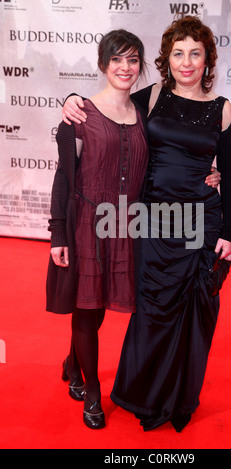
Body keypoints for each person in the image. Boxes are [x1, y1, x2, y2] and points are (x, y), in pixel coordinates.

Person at [62, 15, 231, 432]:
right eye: (179, 53)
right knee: (147, 307)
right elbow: (110, 106)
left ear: (207, 59)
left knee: (188, 314)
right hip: (152, 221)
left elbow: (229, 175)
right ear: (167, 59)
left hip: (199, 223)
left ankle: (172, 394)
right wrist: (72, 98)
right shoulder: (153, 96)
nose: (187, 61)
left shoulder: (224, 110)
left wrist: (228, 233)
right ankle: (91, 368)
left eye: (195, 53)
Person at [46, 29, 150, 430]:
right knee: (86, 308)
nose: (125, 68)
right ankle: (90, 390)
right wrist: (58, 234)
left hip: (126, 226)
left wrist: (209, 174)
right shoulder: (79, 115)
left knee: (102, 304)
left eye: (133, 60)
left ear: (140, 66)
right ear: (103, 64)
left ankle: (73, 362)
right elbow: (63, 177)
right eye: (117, 59)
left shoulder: (144, 111)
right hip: (87, 223)